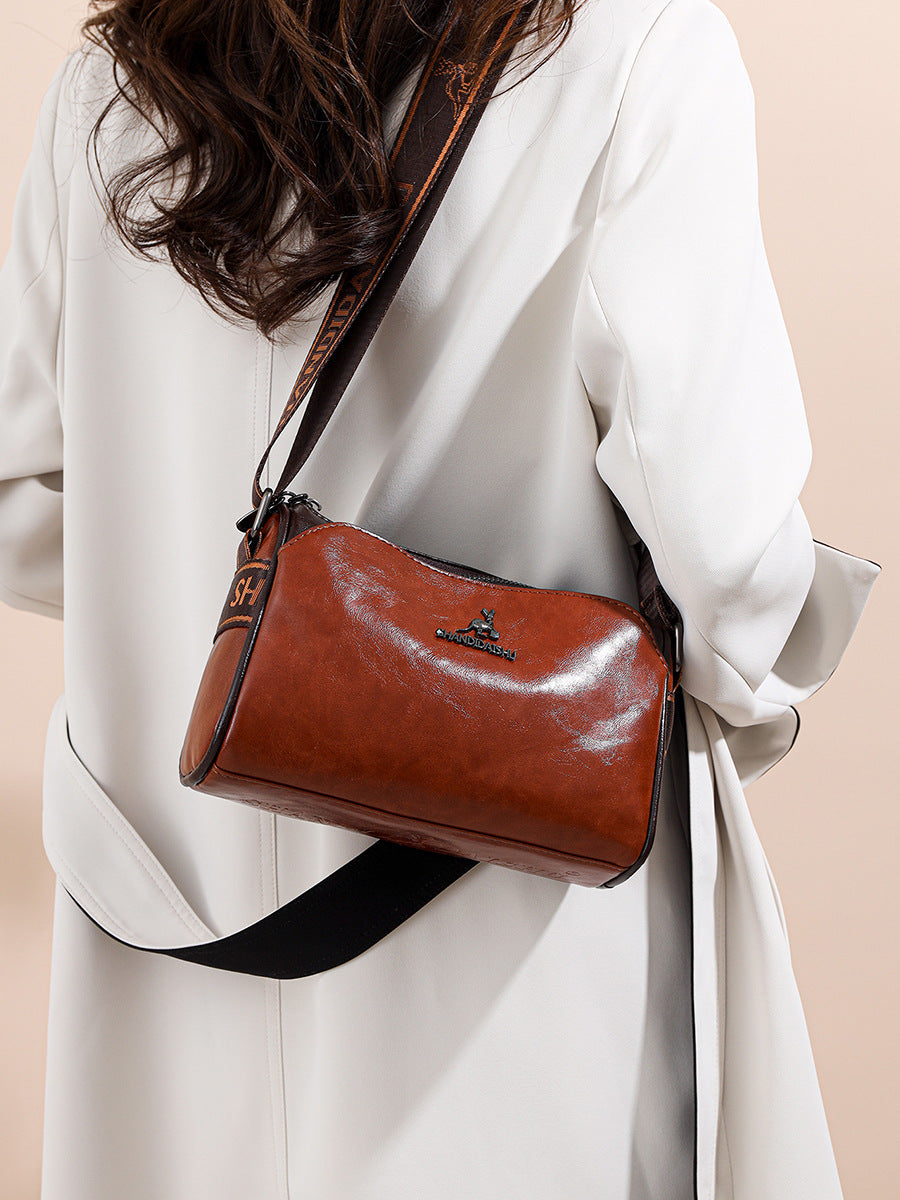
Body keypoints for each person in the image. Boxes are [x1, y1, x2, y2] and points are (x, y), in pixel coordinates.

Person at [0, 0, 880, 1196]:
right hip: (511, 945)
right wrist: (758, 678)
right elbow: (730, 564)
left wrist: (211, 624)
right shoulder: (632, 53)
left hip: (165, 915)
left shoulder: (111, 90)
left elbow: (23, 500)